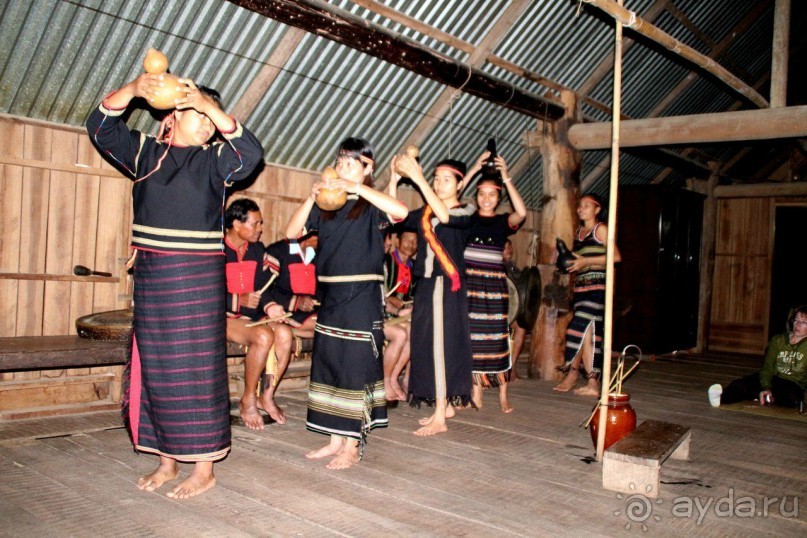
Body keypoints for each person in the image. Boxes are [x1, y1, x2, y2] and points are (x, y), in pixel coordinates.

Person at [87, 73, 264, 498]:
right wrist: (134, 90)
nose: (205, 123)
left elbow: (251, 153)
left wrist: (208, 105)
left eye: (209, 116)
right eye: (195, 114)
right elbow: (100, 127)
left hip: (198, 281)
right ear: (171, 116)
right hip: (153, 277)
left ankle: (204, 469)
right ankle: (166, 461)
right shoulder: (144, 152)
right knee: (156, 369)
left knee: (198, 371)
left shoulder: (215, 161)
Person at [286, 138, 408, 470]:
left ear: (368, 168)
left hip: (361, 297)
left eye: (352, 163)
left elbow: (401, 212)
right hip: (331, 296)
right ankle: (334, 440)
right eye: (340, 162)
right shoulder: (327, 204)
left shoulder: (371, 204)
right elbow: (292, 232)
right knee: (330, 364)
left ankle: (352, 445)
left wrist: (358, 187)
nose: (343, 168)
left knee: (354, 368)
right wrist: (311, 196)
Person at [391, 153, 474, 436]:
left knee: (442, 346)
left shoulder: (465, 211)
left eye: (446, 180)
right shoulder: (426, 212)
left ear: (460, 185)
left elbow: (445, 216)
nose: (439, 184)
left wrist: (418, 178)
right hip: (426, 285)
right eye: (436, 178)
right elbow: (396, 214)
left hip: (446, 285)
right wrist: (394, 179)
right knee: (427, 345)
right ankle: (444, 406)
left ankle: (440, 416)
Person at [462, 152, 527, 413]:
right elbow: (448, 200)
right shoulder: (466, 219)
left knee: (498, 340)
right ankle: (476, 393)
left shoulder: (502, 222)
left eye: (492, 194)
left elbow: (521, 212)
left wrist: (506, 177)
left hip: (495, 291)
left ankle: (502, 395)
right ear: (476, 196)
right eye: (482, 194)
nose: (486, 198)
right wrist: (473, 170)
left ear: (499, 198)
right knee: (473, 340)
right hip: (471, 288)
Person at [224, 198, 294, 429]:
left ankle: (266, 395)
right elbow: (203, 290)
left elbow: (263, 287)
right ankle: (248, 399)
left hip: (251, 317)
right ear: (236, 224)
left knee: (284, 333)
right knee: (263, 336)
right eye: (255, 223)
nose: (260, 228)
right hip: (222, 316)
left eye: (261, 223)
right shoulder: (216, 249)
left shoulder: (256, 249)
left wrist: (270, 306)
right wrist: (238, 299)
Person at [553, 193, 621, 397]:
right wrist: (571, 263)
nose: (581, 208)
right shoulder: (578, 233)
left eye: (587, 205)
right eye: (580, 205)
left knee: (576, 328)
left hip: (597, 288)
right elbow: (580, 261)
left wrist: (586, 262)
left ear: (597, 209)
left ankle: (573, 375)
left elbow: (616, 257)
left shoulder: (600, 229)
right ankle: (592, 383)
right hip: (581, 289)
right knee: (588, 334)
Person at [709, 305, 807, 409]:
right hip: (772, 378)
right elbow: (767, 367)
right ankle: (719, 398)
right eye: (796, 320)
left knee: (793, 398)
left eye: (804, 322)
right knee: (741, 385)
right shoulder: (779, 340)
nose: (798, 325)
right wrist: (766, 386)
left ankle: (765, 397)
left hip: (792, 383)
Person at [264, 229, 320, 339]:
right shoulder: (277, 252)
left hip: (310, 312)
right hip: (284, 310)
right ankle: (285, 330)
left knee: (333, 324)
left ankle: (290, 332)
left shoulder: (317, 255)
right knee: (323, 325)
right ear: (307, 234)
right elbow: (264, 289)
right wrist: (297, 302)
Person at [382, 229, 417, 400]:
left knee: (414, 330)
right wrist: (390, 299)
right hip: (384, 312)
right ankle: (387, 379)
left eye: (415, 241)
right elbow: (380, 293)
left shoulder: (415, 267)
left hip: (400, 314)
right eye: (408, 240)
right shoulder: (385, 261)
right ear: (398, 242)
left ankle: (395, 377)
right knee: (403, 332)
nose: (411, 245)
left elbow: (415, 295)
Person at [502, 239, 526, 381]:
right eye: (505, 247)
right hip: (493, 312)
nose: (509, 250)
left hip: (509, 313)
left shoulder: (516, 271)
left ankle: (511, 367)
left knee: (521, 328)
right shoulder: (494, 267)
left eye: (510, 247)